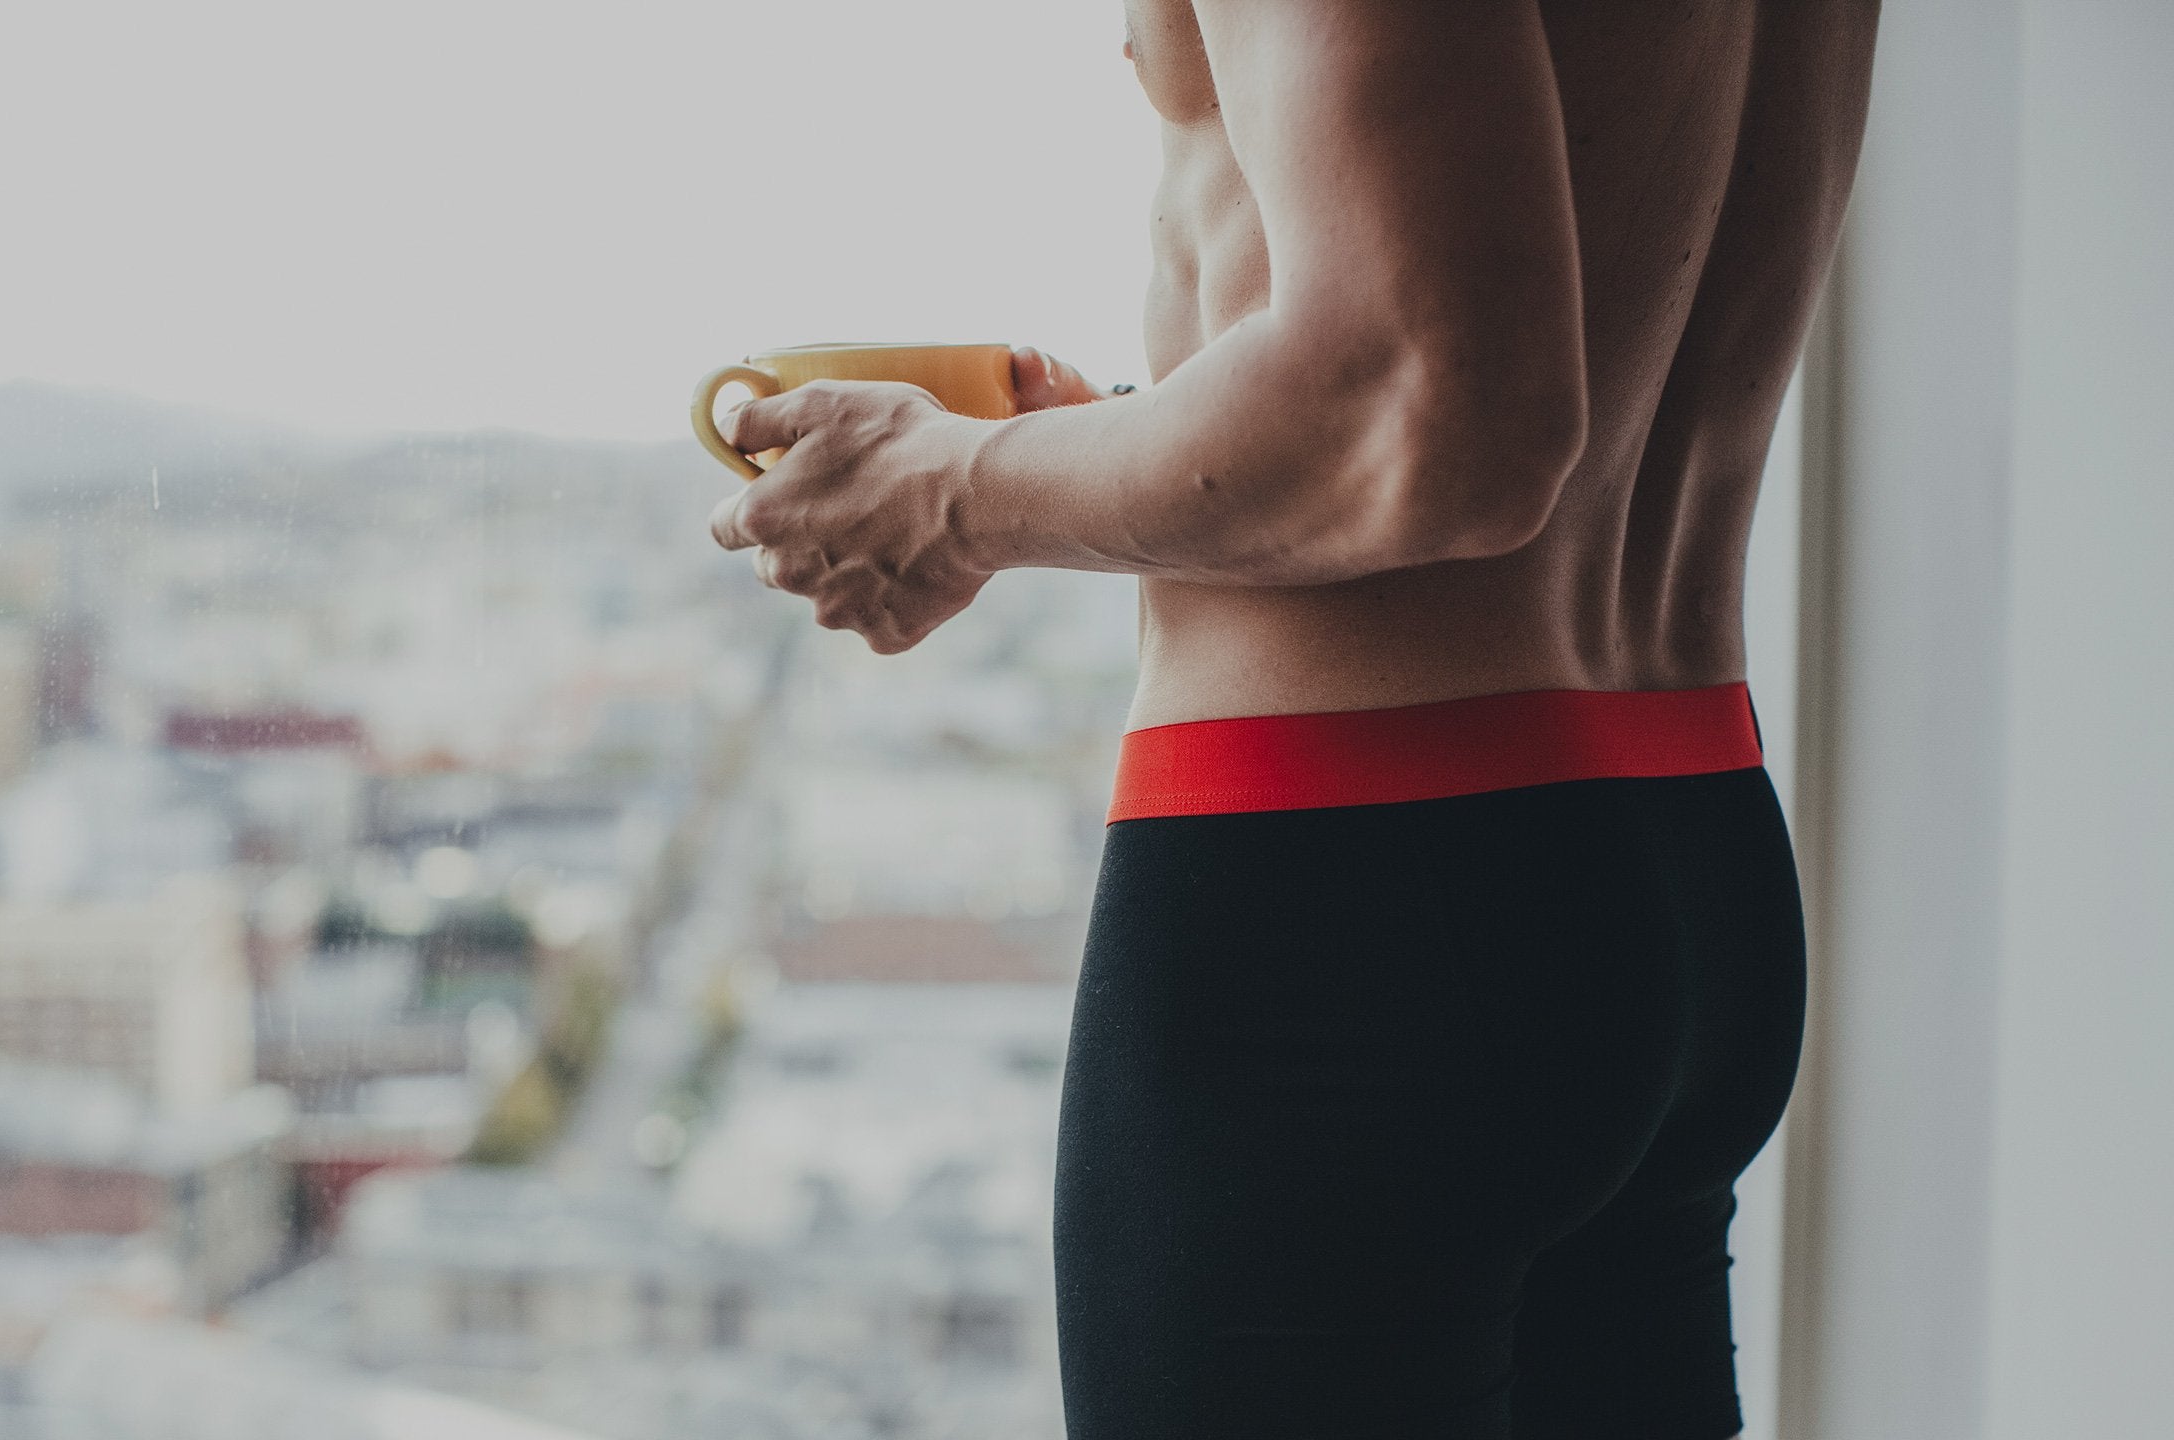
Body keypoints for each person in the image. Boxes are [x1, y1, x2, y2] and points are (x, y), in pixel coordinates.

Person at [706, 2, 1879, 1435]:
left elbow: (1438, 412)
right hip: (1682, 836)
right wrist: (1113, 444)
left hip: (1357, 918)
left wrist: (956, 491)